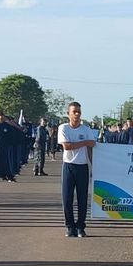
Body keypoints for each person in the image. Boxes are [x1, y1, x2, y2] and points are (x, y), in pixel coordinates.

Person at [57, 101, 100, 238]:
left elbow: (91, 146)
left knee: (82, 198)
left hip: (82, 166)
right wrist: (84, 142)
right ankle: (70, 227)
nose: (77, 114)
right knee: (67, 198)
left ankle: (81, 226)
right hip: (68, 165)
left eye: (79, 112)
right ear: (68, 113)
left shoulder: (86, 129)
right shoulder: (63, 128)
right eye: (74, 112)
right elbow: (67, 146)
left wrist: (93, 166)